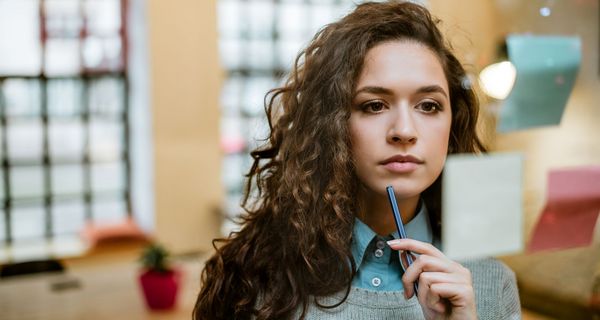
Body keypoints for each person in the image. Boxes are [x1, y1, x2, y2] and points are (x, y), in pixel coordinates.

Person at [194, 1, 520, 319]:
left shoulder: (491, 286)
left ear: (453, 123)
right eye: (374, 105)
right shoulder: (261, 280)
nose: (404, 131)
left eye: (429, 106)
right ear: (333, 123)